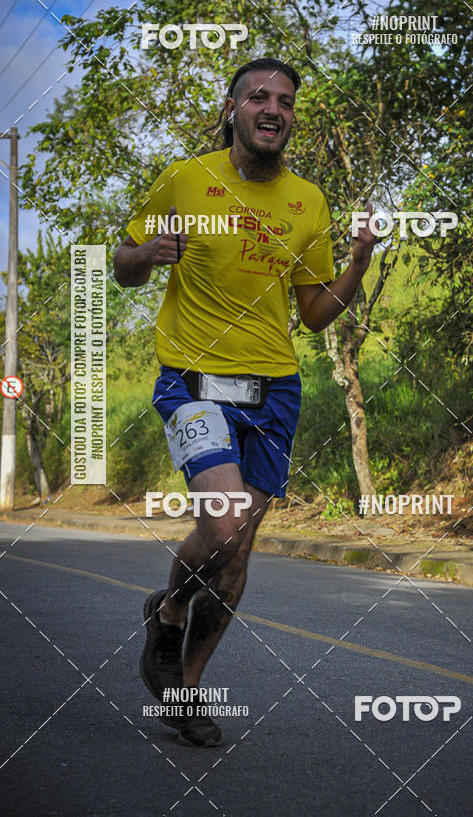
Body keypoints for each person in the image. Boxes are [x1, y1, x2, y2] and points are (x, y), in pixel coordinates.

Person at [113, 57, 377, 747]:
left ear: (291, 118)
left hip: (274, 390)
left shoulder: (309, 202)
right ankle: (168, 613)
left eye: (285, 100)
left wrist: (356, 266)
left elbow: (316, 314)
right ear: (232, 108)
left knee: (236, 554)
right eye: (258, 96)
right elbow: (122, 263)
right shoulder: (185, 177)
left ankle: (185, 687)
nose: (273, 108)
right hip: (192, 379)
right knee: (225, 524)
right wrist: (148, 254)